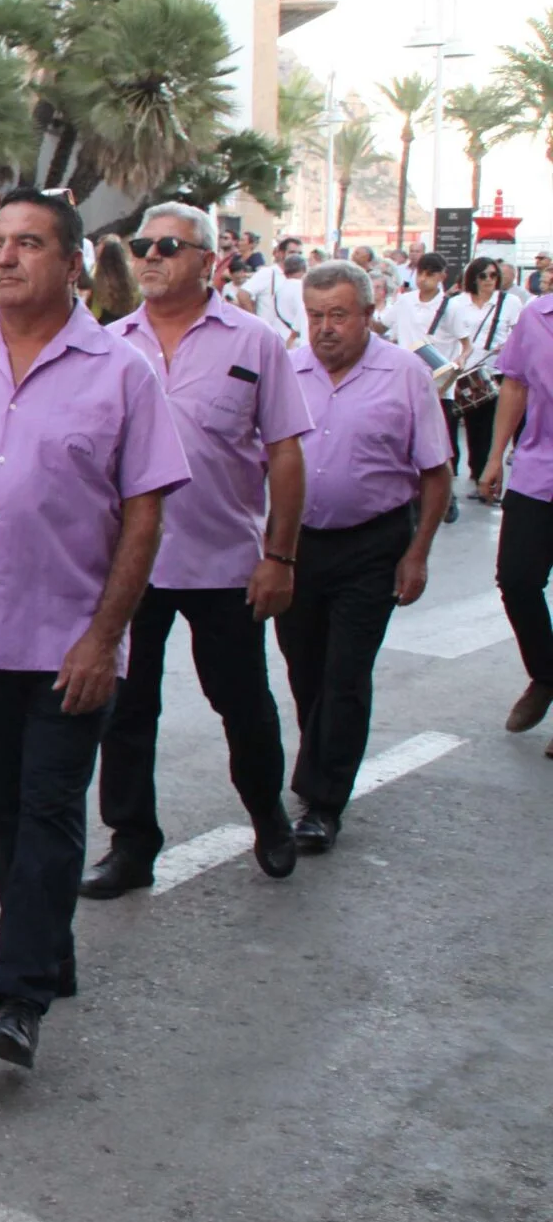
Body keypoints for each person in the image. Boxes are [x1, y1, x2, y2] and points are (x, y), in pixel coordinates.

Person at [0, 191, 190, 1070]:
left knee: (51, 808)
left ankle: (22, 994)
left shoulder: (123, 370)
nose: (6, 258)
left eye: (29, 244)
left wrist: (104, 637)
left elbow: (144, 516)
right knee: (10, 814)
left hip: (71, 641)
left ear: (73, 264)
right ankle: (47, 951)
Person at [84, 206, 310, 898]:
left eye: (169, 246)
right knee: (124, 707)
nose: (150, 256)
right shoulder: (111, 343)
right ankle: (131, 842)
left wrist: (281, 556)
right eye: (143, 246)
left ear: (209, 260)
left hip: (223, 562)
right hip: (132, 566)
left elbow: (286, 452)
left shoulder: (255, 341)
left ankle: (267, 813)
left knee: (241, 701)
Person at [277, 262, 450, 853]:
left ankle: (323, 801)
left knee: (345, 673)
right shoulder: (286, 371)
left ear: (369, 316)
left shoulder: (405, 375)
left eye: (339, 316)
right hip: (295, 546)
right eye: (316, 315)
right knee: (304, 667)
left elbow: (435, 472)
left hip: (371, 544)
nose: (325, 328)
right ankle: (319, 760)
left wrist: (417, 554)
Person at [482, 277, 553, 748]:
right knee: (517, 578)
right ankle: (546, 674)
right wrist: (493, 457)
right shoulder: (537, 317)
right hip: (539, 469)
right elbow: (515, 385)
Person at [445, 255, 517, 496]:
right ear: (472, 278)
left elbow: (518, 334)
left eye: (493, 275)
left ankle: (480, 476)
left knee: (483, 429)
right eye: (483, 275)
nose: (488, 280)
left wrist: (506, 346)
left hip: (491, 372)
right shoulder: (456, 303)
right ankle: (449, 473)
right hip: (459, 372)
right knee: (449, 425)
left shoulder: (509, 302)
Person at [88, 234, 140, 324]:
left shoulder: (96, 280)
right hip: (130, 323)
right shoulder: (134, 275)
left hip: (106, 328)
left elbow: (95, 313)